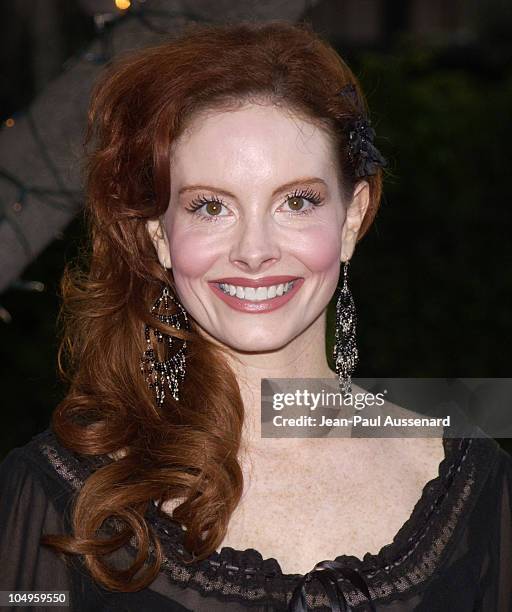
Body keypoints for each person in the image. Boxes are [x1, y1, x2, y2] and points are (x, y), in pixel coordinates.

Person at [0, 20, 511, 612]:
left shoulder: (480, 491)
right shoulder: (55, 499)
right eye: (211, 206)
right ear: (159, 237)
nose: (254, 250)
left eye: (296, 201)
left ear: (352, 217)